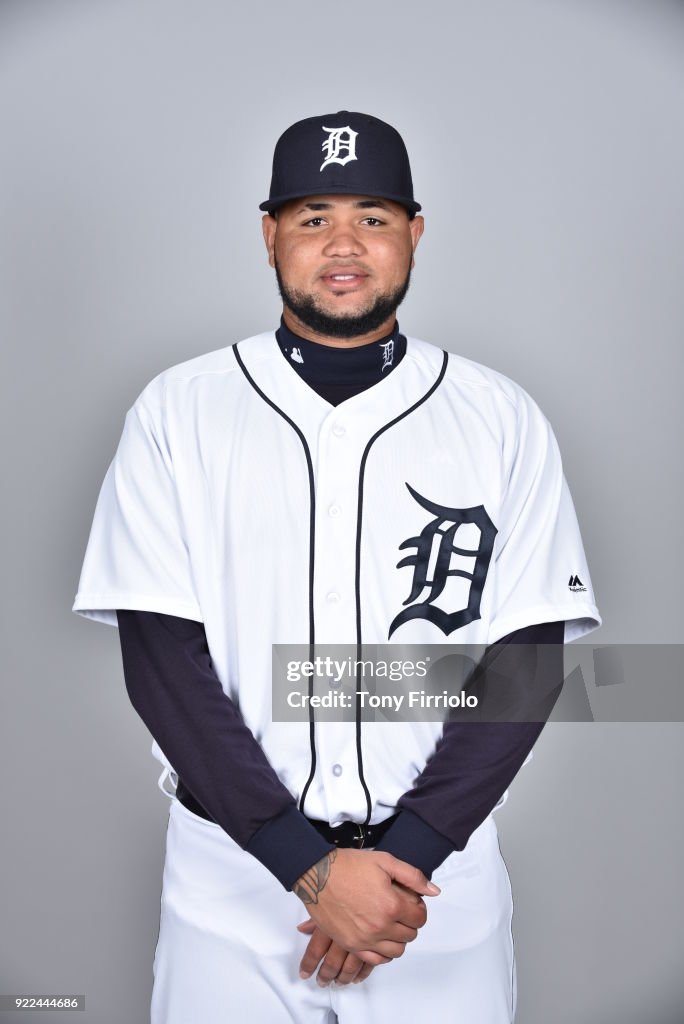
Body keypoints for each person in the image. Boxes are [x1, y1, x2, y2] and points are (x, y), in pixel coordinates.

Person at [72, 110, 601, 1023]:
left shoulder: (499, 416)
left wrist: (412, 857)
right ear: (270, 233)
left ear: (415, 233)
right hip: (230, 885)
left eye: (374, 215)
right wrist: (306, 868)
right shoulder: (179, 411)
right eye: (314, 216)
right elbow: (162, 662)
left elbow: (529, 656)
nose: (344, 243)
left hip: (431, 895)